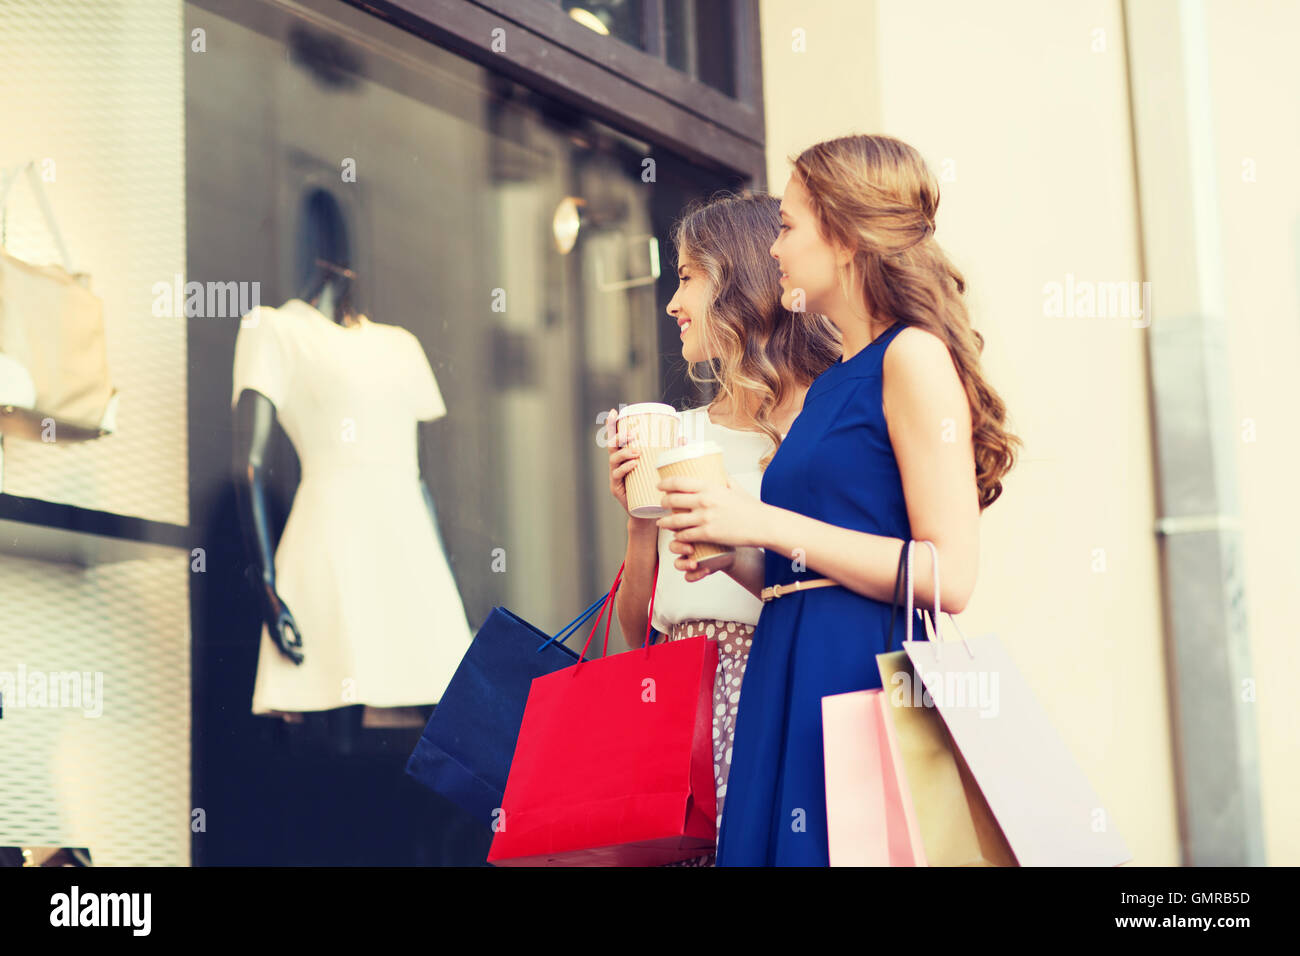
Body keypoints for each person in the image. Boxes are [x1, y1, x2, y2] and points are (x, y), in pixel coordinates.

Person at [656, 134, 1021, 866]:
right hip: (785, 674)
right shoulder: (833, 383)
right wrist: (733, 553)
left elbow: (949, 577)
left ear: (847, 238)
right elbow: (803, 573)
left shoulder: (911, 357)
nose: (777, 249)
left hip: (857, 677)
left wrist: (761, 519)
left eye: (789, 226)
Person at [604, 191, 840, 866]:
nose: (673, 304)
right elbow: (637, 631)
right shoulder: (683, 434)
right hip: (678, 707)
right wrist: (640, 521)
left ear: (738, 279)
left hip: (776, 690)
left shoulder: (819, 430)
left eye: (687, 277)